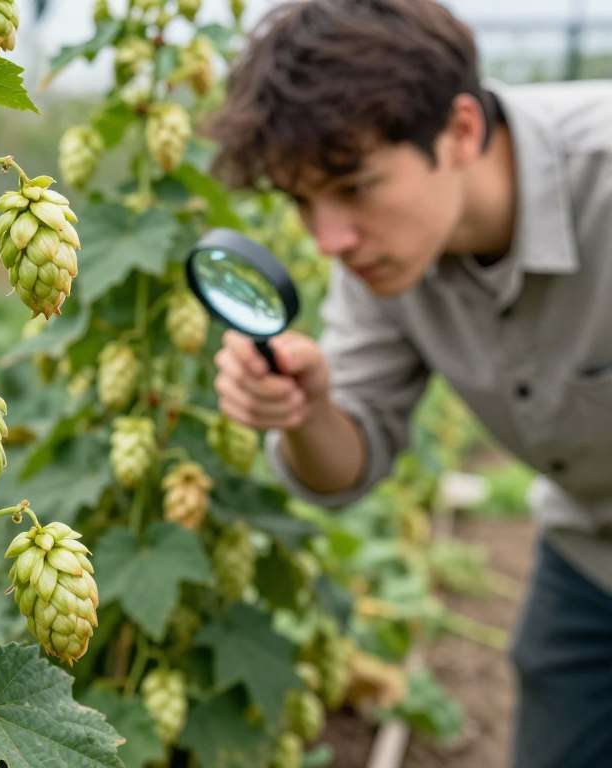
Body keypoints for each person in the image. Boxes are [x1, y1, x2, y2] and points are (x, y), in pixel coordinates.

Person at [206, 1, 612, 766]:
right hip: (591, 554)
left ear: (459, 131)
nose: (328, 240)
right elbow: (349, 461)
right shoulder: (382, 260)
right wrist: (306, 409)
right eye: (301, 201)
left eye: (354, 187)